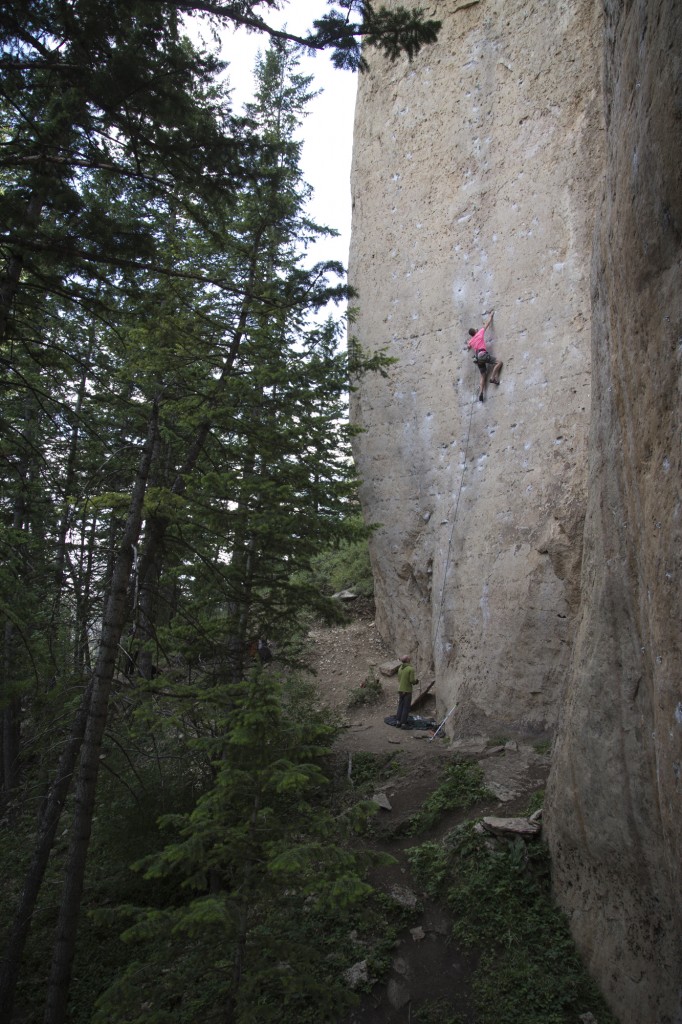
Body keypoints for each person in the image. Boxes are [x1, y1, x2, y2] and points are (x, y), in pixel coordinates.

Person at [467, 310, 502, 402]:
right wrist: (491, 316)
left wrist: (469, 344)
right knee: (499, 362)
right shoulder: (480, 333)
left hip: (478, 359)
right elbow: (487, 324)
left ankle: (481, 392)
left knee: (482, 375)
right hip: (483, 354)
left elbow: (468, 346)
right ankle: (493, 378)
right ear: (475, 331)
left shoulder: (471, 341)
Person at [396, 655, 417, 728]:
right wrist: (416, 681)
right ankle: (403, 723)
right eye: (409, 658)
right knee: (406, 707)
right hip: (407, 690)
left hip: (400, 690)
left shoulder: (400, 668)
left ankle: (398, 721)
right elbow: (412, 681)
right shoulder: (410, 669)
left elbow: (399, 679)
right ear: (408, 660)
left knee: (400, 706)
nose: (410, 658)